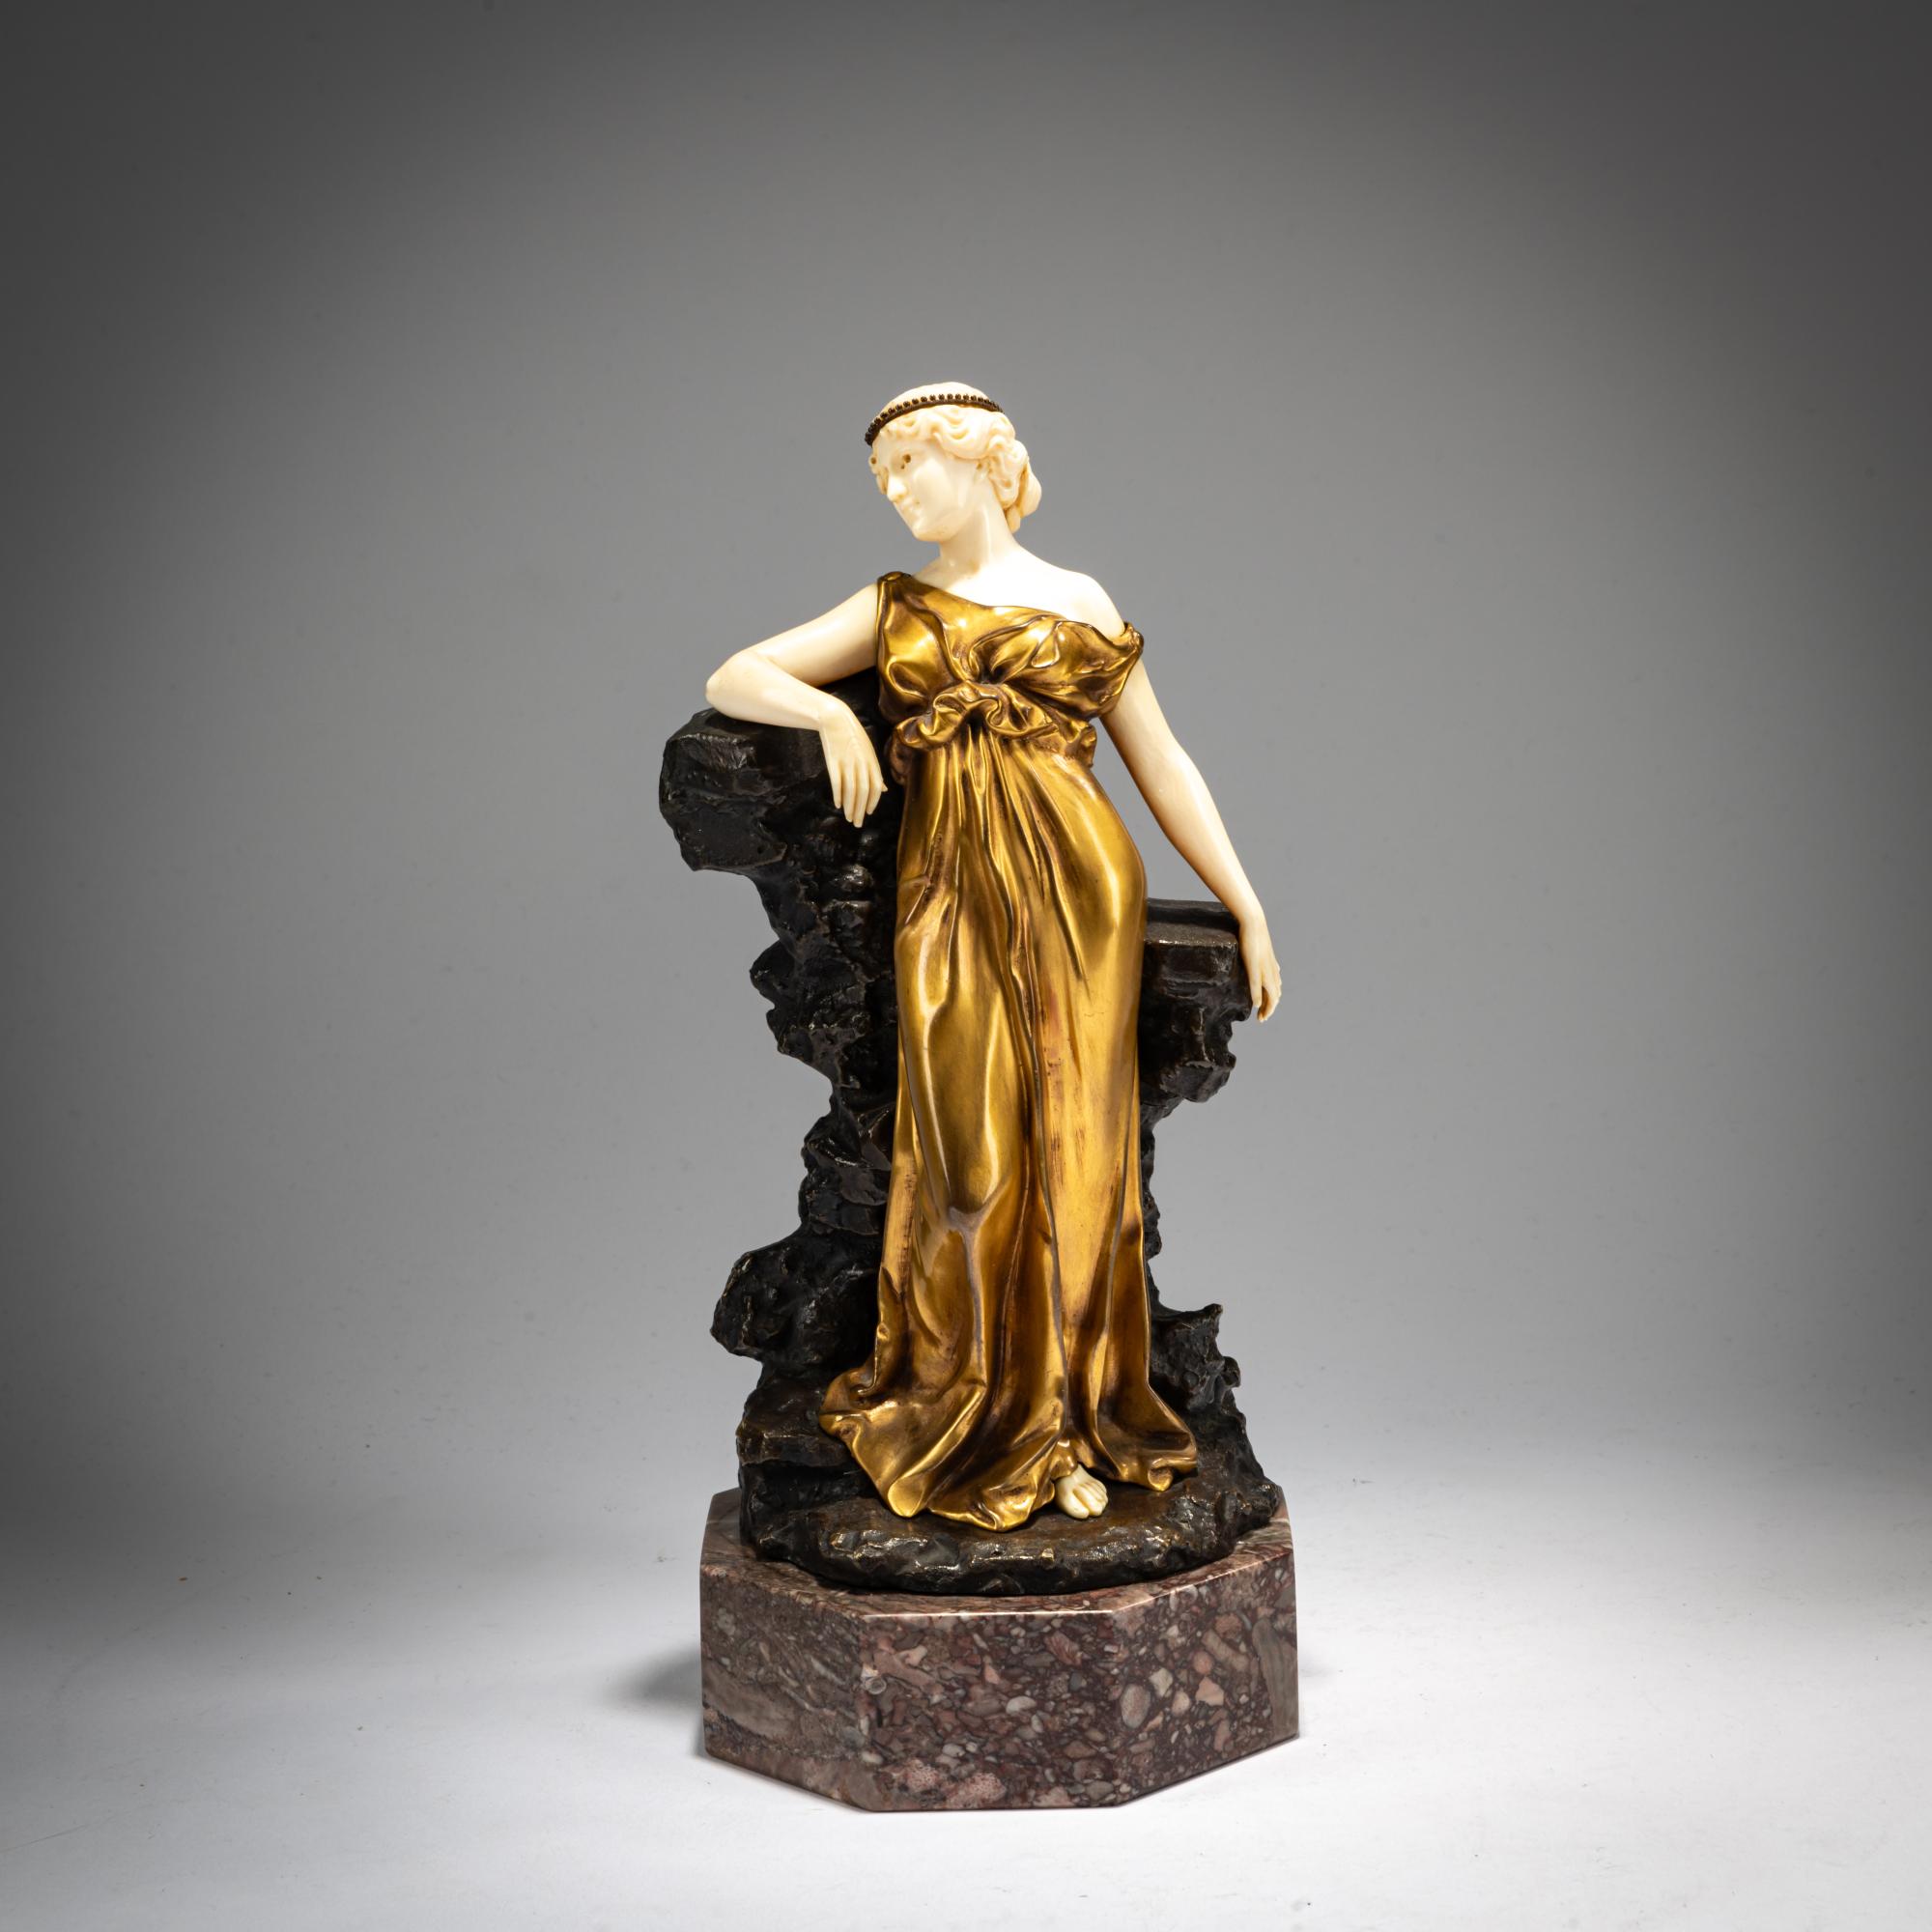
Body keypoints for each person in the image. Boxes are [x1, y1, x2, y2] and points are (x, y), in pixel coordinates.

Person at [701, 384, 1280, 1530]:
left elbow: (1162, 761)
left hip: (1080, 889)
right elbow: (736, 674)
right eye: (881, 475)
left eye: (907, 463)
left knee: (1079, 1151)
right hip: (949, 894)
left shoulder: (1076, 598)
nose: (894, 490)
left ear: (973, 458)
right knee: (964, 1160)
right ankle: (970, 1408)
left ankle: (1069, 1418)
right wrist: (833, 717)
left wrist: (1247, 905)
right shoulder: (894, 605)